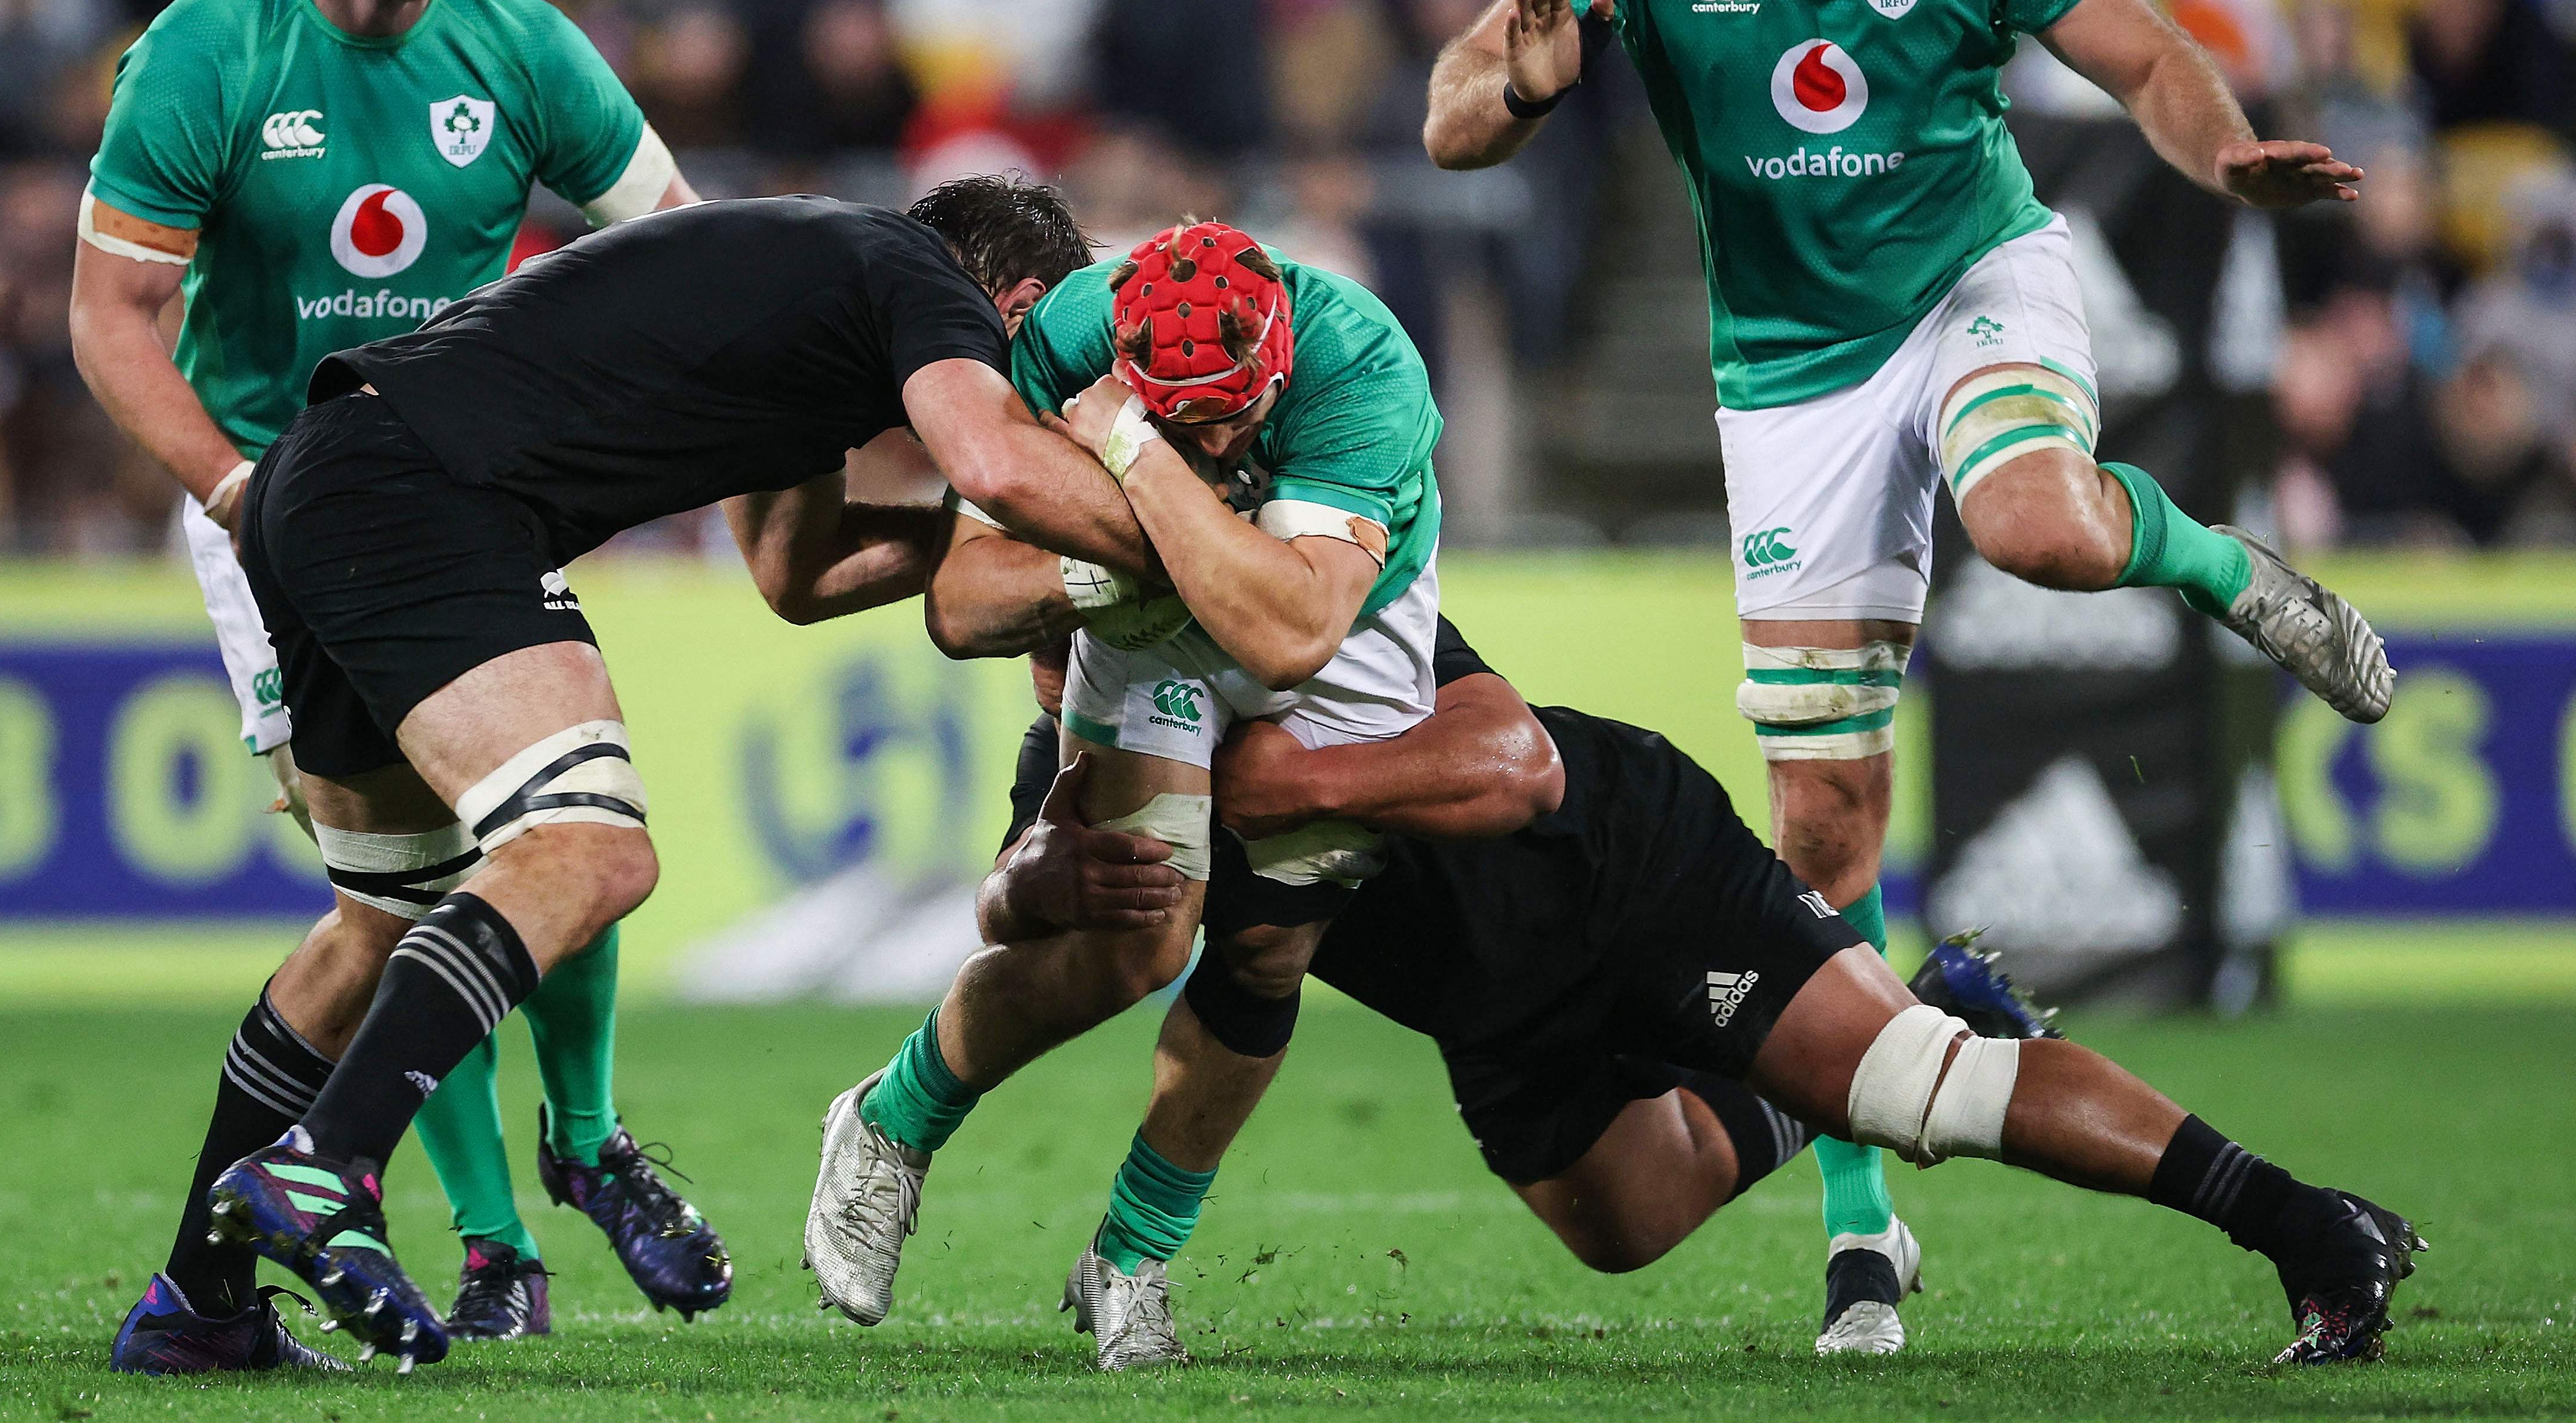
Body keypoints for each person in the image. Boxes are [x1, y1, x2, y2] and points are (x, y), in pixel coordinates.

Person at [1421, 0, 2396, 1354]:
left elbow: (2147, 60)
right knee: (1821, 832)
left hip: (1971, 285)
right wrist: (1512, 87)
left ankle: (2206, 556)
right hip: (1785, 373)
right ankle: (1862, 1236)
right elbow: (1449, 116)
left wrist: (2223, 151)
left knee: (2034, 522)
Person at [184, 174, 1151, 1369]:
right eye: (1044, 356)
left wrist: (973, 554)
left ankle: (198, 1305)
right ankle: (330, 1162)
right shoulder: (922, 281)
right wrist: (1177, 535)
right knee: (589, 847)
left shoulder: (819, 303)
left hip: (330, 473)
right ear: (1021, 300)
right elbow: (997, 467)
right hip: (424, 494)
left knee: (383, 923)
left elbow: (798, 574)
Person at [985, 619, 2423, 1369]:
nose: (1064, 669)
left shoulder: (1298, 604)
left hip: (1617, 875)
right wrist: (1046, 879)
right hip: (1488, 1007)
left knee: (1927, 1091)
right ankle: (1938, 997)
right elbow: (1018, 909)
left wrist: (1287, 786)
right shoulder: (1081, 768)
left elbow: (1509, 752)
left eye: (1080, 631)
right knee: (1630, 1222)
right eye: (1049, 651)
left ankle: (2305, 1224)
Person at [73, 0, 718, 1372]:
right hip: (273, 500)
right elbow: (109, 318)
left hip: (454, 493)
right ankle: (397, 1220)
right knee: (449, 876)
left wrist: (623, 438)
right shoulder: (207, 51)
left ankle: (240, 1281)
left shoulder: (522, 46)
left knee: (520, 839)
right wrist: (232, 489)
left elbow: (678, 249)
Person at [803, 222, 1443, 1370]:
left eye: (1229, 417)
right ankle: (891, 1120)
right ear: (1128, 357)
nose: (1207, 436)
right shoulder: (1064, 339)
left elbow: (1295, 629)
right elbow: (961, 605)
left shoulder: (1364, 364)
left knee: (1268, 948)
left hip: (1348, 621)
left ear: (1279, 361)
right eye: (1176, 412)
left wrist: (1135, 456)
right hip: (1150, 615)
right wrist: (1119, 562)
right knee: (1134, 931)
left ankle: (1131, 1254)